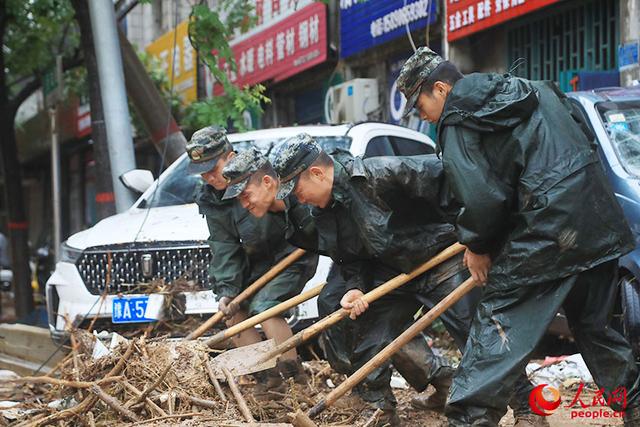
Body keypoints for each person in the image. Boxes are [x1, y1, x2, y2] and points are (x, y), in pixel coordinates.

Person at [398, 46, 640, 426]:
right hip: (596, 222)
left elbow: (481, 197)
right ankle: (636, 405)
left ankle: (470, 418)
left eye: (419, 104)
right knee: (595, 327)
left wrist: (477, 245)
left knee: (498, 325)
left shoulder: (458, 120)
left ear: (441, 89)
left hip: (545, 233)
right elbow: (580, 143)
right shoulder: (536, 88)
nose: (422, 115)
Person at [271, 133, 538, 426]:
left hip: (442, 259)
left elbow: (459, 184)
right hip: (395, 272)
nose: (298, 199)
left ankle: (529, 409)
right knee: (368, 334)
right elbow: (350, 257)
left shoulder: (382, 174)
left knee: (478, 335)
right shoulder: (323, 212)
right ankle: (380, 412)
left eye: (296, 190)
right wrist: (355, 287)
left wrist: (477, 241)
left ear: (317, 173)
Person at [221, 146, 457, 425]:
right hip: (361, 259)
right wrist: (355, 282)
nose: (243, 205)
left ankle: (437, 383)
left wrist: (475, 231)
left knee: (380, 319)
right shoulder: (292, 209)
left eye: (245, 195)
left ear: (269, 182)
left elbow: (364, 227)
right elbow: (342, 248)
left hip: (408, 254)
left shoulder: (325, 191)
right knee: (340, 312)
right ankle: (374, 394)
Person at [186, 126, 318, 396]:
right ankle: (268, 380)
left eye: (214, 168)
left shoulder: (255, 175)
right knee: (234, 311)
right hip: (257, 264)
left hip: (292, 254)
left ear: (230, 156)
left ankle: (295, 381)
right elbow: (225, 246)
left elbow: (296, 208)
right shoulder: (211, 198)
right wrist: (227, 290)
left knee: (265, 308)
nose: (210, 177)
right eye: (203, 171)